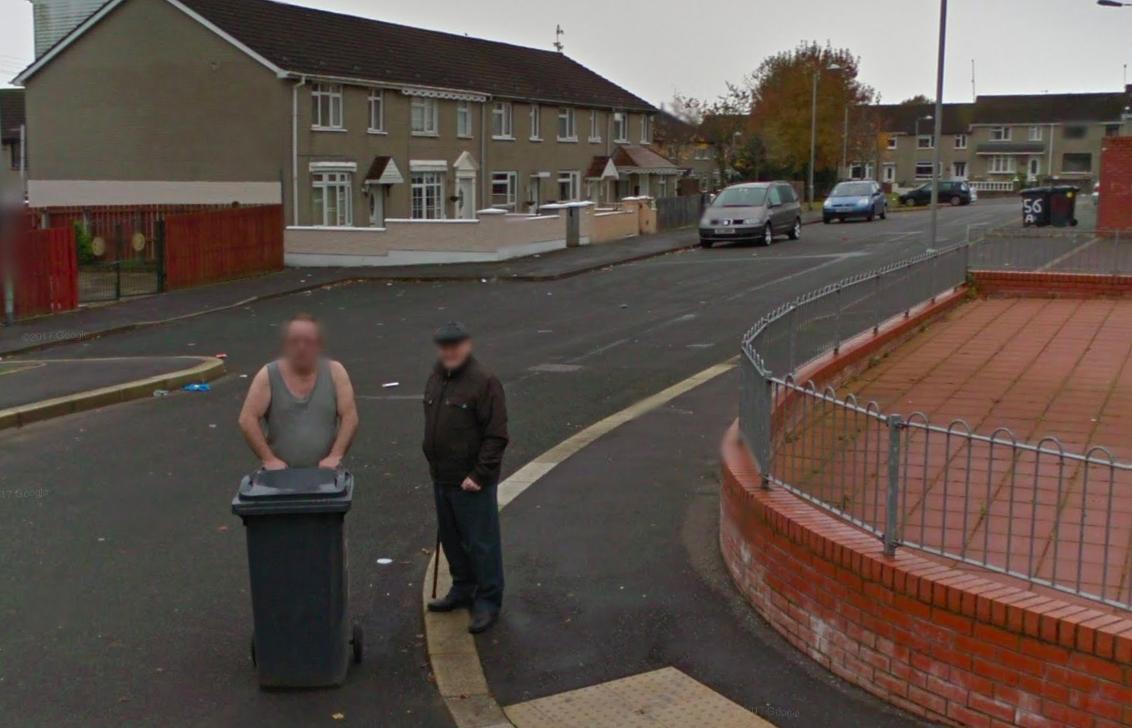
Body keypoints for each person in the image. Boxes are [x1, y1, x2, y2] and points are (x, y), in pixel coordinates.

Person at [423, 322, 509, 634]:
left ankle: (488, 600)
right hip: (442, 477)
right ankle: (462, 588)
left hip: (471, 481)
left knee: (481, 544)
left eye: (455, 345)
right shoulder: (436, 378)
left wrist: (479, 475)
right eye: (444, 346)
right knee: (452, 540)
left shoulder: (483, 382)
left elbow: (496, 435)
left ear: (466, 346)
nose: (449, 351)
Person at [238, 313, 359, 471]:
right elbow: (247, 419)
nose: (301, 347)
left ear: (319, 345)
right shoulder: (268, 375)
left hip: (326, 476)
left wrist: (335, 456)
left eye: (308, 342)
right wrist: (269, 459)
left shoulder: (335, 372)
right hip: (281, 476)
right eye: (294, 341)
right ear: (286, 345)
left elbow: (350, 416)